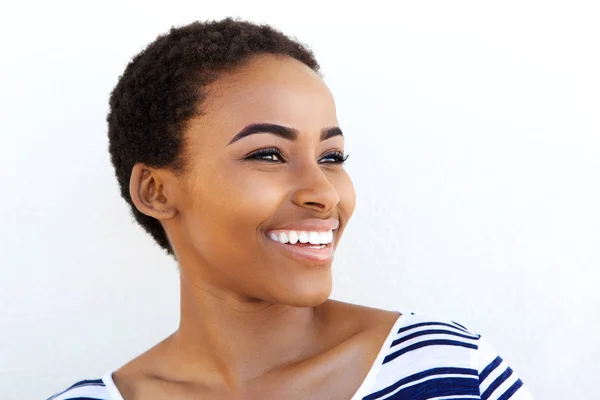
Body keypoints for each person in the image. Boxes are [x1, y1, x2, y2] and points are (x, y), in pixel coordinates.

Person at [47, 18, 534, 400]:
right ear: (156, 190)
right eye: (268, 154)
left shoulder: (448, 371)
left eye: (332, 158)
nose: (323, 192)